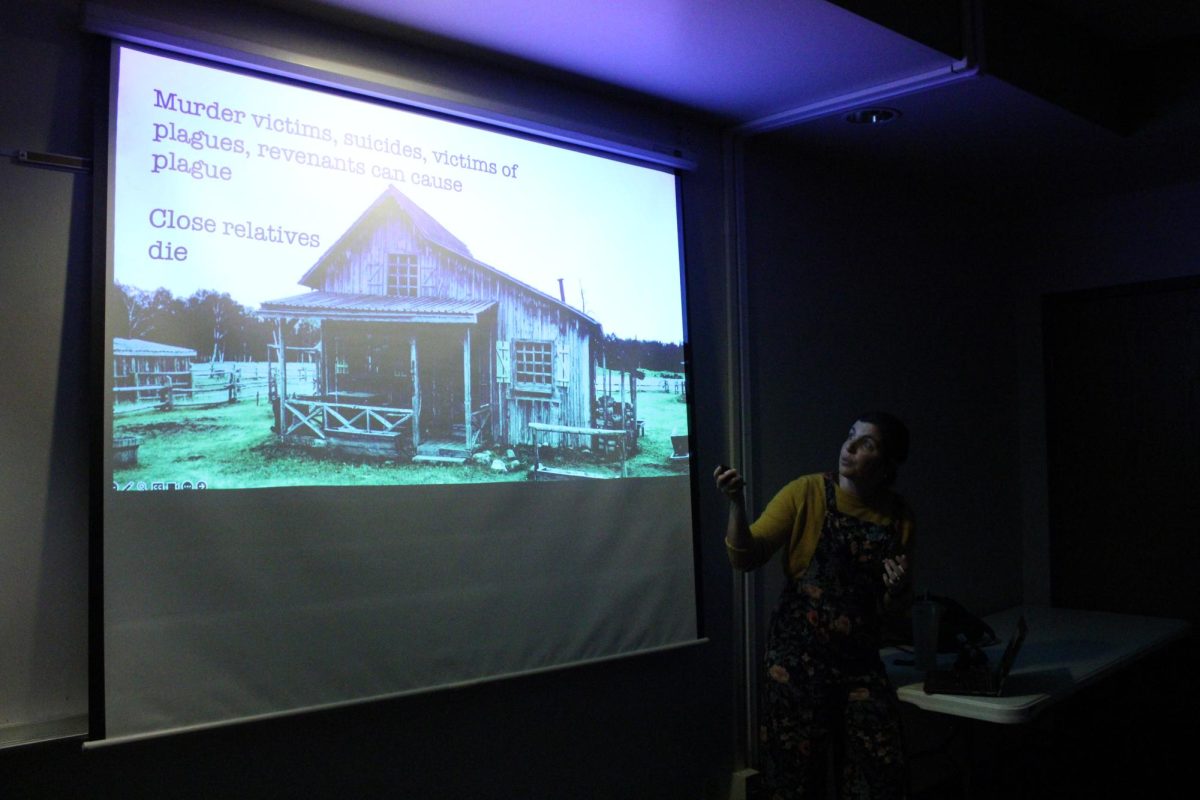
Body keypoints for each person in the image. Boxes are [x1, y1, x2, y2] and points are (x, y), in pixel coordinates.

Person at [715, 412, 915, 800]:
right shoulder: (806, 493)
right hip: (796, 663)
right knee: (793, 781)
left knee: (880, 773)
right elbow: (745, 557)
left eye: (867, 444)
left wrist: (897, 588)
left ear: (887, 465)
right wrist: (736, 505)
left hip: (860, 665)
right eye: (851, 436)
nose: (850, 447)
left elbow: (894, 610)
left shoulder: (899, 518)